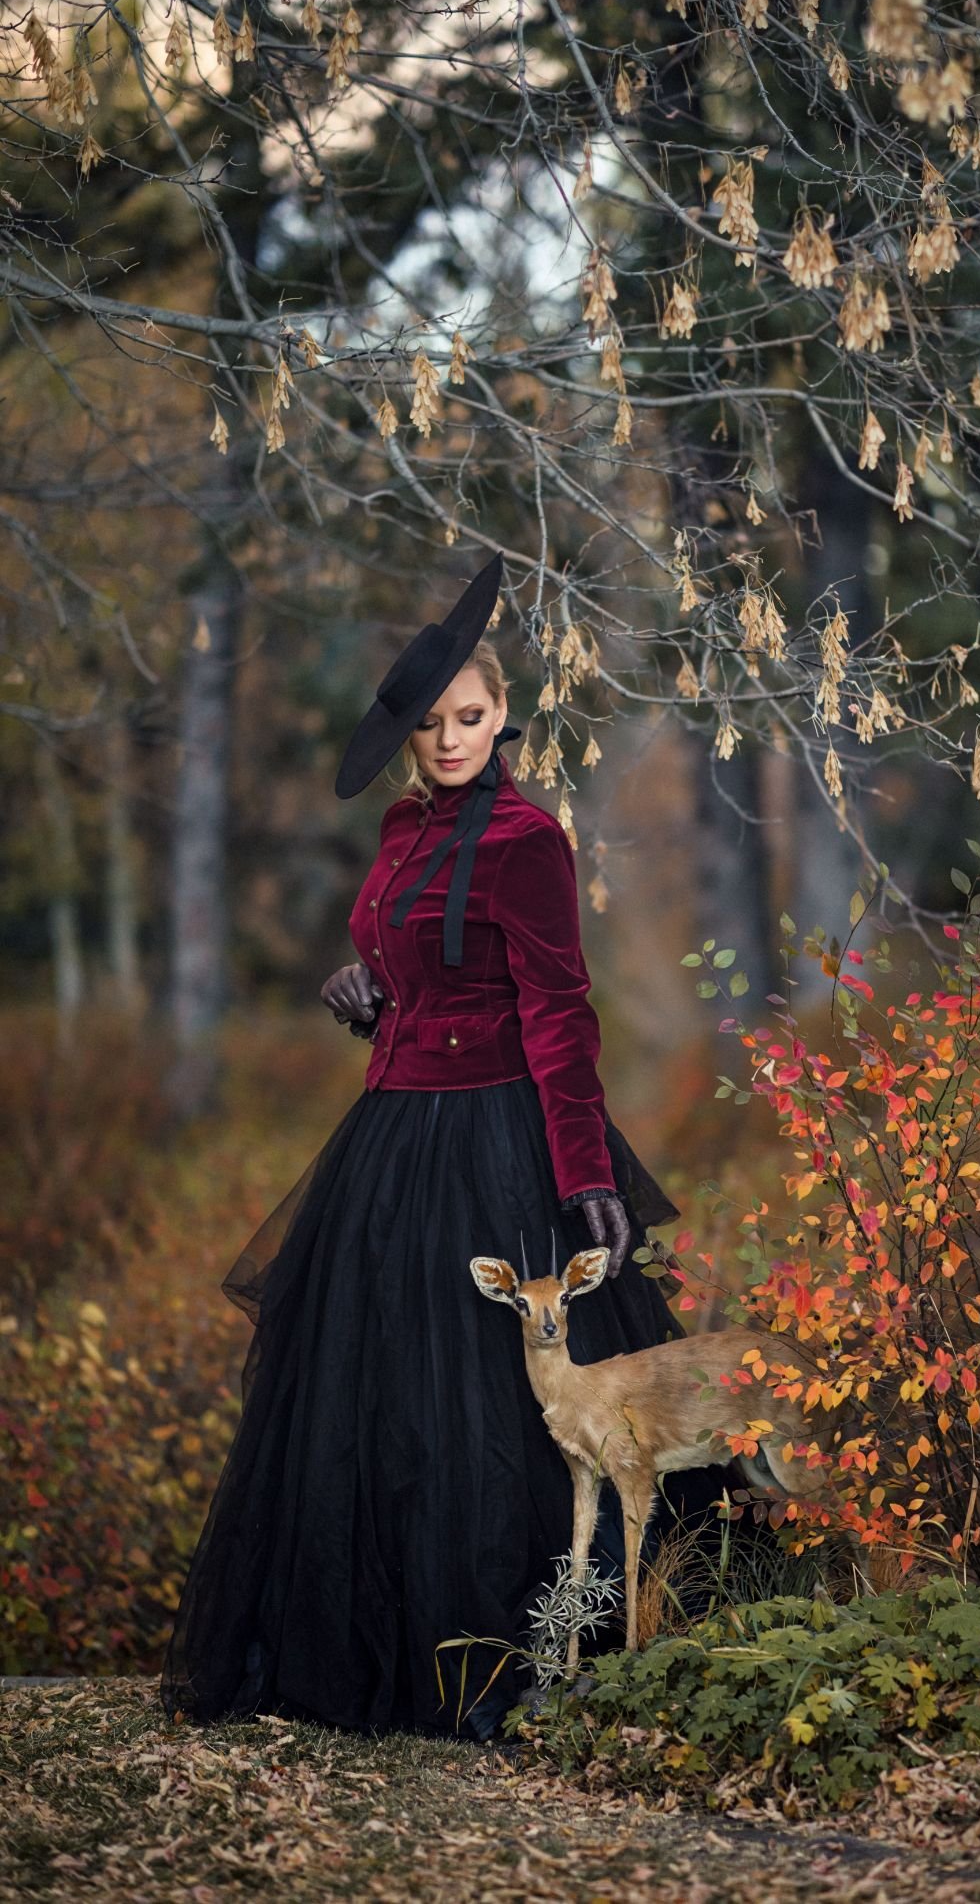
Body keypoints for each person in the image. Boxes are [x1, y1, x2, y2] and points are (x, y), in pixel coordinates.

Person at [158, 551, 738, 1742]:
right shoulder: (401, 829)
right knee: (373, 1402)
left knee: (487, 1407)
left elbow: (557, 1012)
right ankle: (377, 1659)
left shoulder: (527, 840)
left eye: (468, 716)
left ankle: (520, 1661)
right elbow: (418, 969)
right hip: (390, 1140)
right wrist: (367, 992)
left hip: (495, 1139)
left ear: (501, 711)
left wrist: (583, 1172)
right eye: (429, 725)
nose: (450, 738)